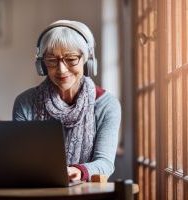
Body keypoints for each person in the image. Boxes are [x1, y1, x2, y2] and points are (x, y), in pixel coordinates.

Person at [12, 20, 121, 182]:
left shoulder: (107, 105)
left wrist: (79, 170)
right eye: (51, 60)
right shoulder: (25, 103)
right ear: (42, 64)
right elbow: (20, 160)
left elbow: (105, 163)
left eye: (71, 59)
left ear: (87, 60)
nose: (61, 69)